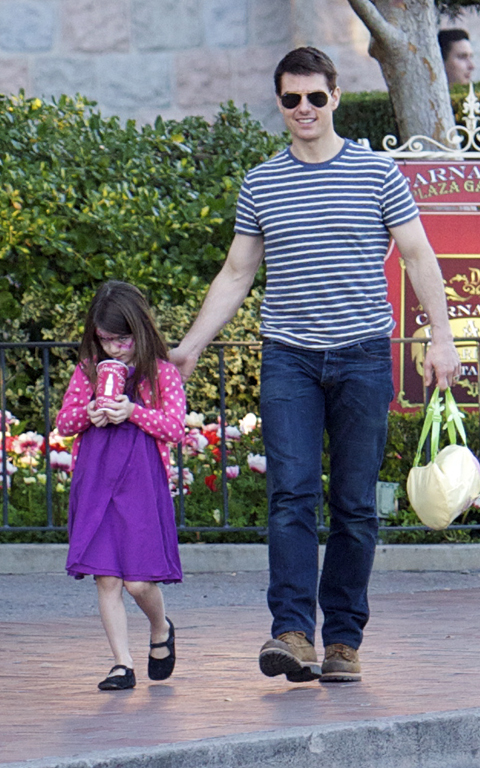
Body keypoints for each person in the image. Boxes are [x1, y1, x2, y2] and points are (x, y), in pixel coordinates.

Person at [169, 47, 461, 684]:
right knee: (291, 494)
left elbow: (419, 259)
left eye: (316, 97)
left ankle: (344, 642)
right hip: (290, 361)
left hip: (361, 357)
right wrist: (189, 346)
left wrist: (442, 340)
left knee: (355, 506)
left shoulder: (377, 174)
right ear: (280, 102)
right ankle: (293, 633)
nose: (304, 108)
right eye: (291, 98)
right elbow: (237, 273)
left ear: (334, 94)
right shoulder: (262, 182)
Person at [57, 280, 186, 690]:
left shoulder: (160, 374)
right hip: (96, 482)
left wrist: (132, 410)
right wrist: (91, 410)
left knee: (138, 581)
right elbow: (64, 423)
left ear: (141, 329)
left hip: (141, 485)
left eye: (122, 339)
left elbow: (174, 428)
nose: (114, 348)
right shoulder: (87, 371)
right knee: (107, 578)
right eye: (105, 340)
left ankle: (160, 627)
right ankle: (121, 664)